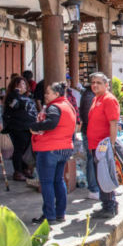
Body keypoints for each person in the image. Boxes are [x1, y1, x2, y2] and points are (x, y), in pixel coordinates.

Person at [28, 82, 77, 225]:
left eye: (48, 93)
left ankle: (49, 215)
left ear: (56, 94)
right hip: (64, 148)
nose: (45, 95)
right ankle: (60, 213)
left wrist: (34, 126)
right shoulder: (68, 106)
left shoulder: (54, 107)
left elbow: (51, 123)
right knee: (58, 181)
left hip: (49, 148)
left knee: (47, 183)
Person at [86, 72, 121, 218]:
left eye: (98, 83)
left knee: (104, 176)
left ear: (106, 85)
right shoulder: (96, 99)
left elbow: (113, 123)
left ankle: (110, 205)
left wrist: (111, 145)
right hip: (94, 144)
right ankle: (106, 204)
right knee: (100, 176)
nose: (95, 85)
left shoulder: (108, 99)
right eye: (93, 82)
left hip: (103, 145)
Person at [3, 77, 37, 181]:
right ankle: (17, 171)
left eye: (24, 84)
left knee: (26, 149)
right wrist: (16, 93)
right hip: (18, 126)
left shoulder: (28, 97)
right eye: (20, 84)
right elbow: (14, 105)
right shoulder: (12, 96)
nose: (23, 86)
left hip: (29, 126)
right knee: (19, 149)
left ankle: (25, 168)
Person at [78, 82, 99, 200]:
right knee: (92, 159)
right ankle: (94, 188)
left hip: (94, 132)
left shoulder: (92, 96)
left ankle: (98, 187)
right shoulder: (89, 97)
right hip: (91, 133)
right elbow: (88, 118)